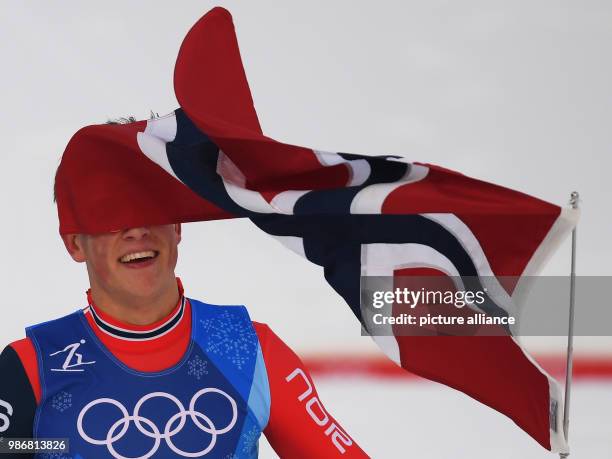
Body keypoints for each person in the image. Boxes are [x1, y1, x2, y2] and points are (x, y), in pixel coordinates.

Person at [0, 220, 369, 459]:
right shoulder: (32, 363)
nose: (135, 229)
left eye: (150, 207)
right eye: (109, 216)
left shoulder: (248, 347)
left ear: (177, 226)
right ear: (74, 243)